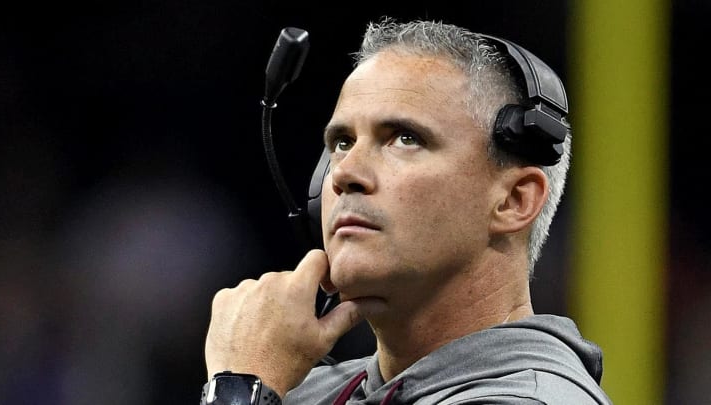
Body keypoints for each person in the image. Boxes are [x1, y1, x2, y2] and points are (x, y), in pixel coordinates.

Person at [202, 17, 613, 404]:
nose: (346, 172)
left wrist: (240, 388)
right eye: (342, 143)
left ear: (514, 201)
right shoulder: (295, 388)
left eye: (405, 139)